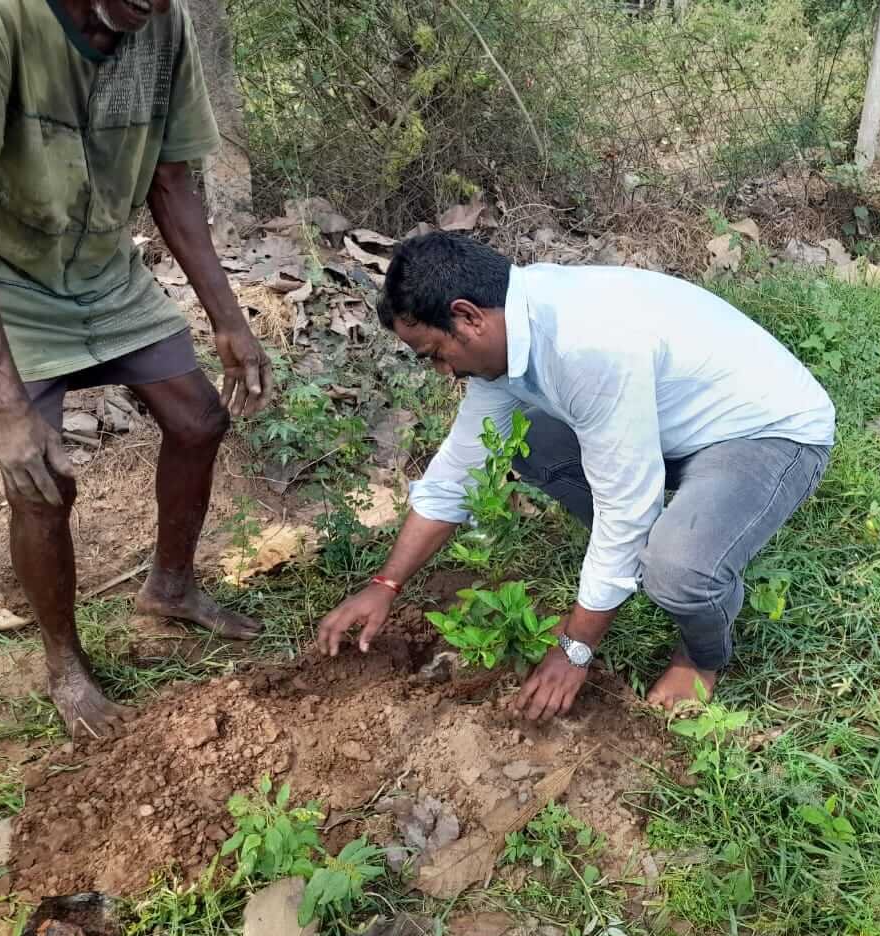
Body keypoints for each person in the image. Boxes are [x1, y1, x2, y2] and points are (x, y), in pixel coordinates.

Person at [317, 233, 834, 719]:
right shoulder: (510, 336)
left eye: (436, 355)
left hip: (765, 431)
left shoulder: (584, 344)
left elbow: (624, 509)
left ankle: (701, 653)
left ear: (467, 317)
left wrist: (575, 646)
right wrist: (385, 585)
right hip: (669, 425)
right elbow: (459, 471)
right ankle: (658, 550)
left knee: (678, 571)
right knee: (527, 440)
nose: (444, 373)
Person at [0, 0, 273, 738]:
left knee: (199, 419)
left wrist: (228, 318)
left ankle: (170, 588)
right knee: (42, 479)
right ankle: (65, 664)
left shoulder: (164, 27)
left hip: (105, 274)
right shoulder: (5, 23)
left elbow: (172, 182)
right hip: (8, 282)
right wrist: (6, 410)